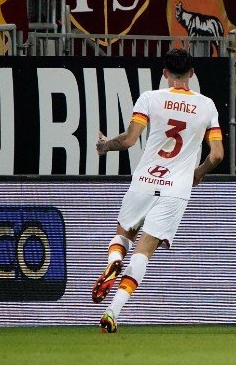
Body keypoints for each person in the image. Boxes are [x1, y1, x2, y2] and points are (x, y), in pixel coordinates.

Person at [91, 48, 224, 333]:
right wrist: (197, 174)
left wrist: (105, 146)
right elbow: (217, 155)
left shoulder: (150, 99)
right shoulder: (207, 106)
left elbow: (128, 141)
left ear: (164, 73)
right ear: (192, 74)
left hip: (145, 180)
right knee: (144, 252)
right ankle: (113, 312)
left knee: (123, 234)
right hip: (176, 188)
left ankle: (114, 262)